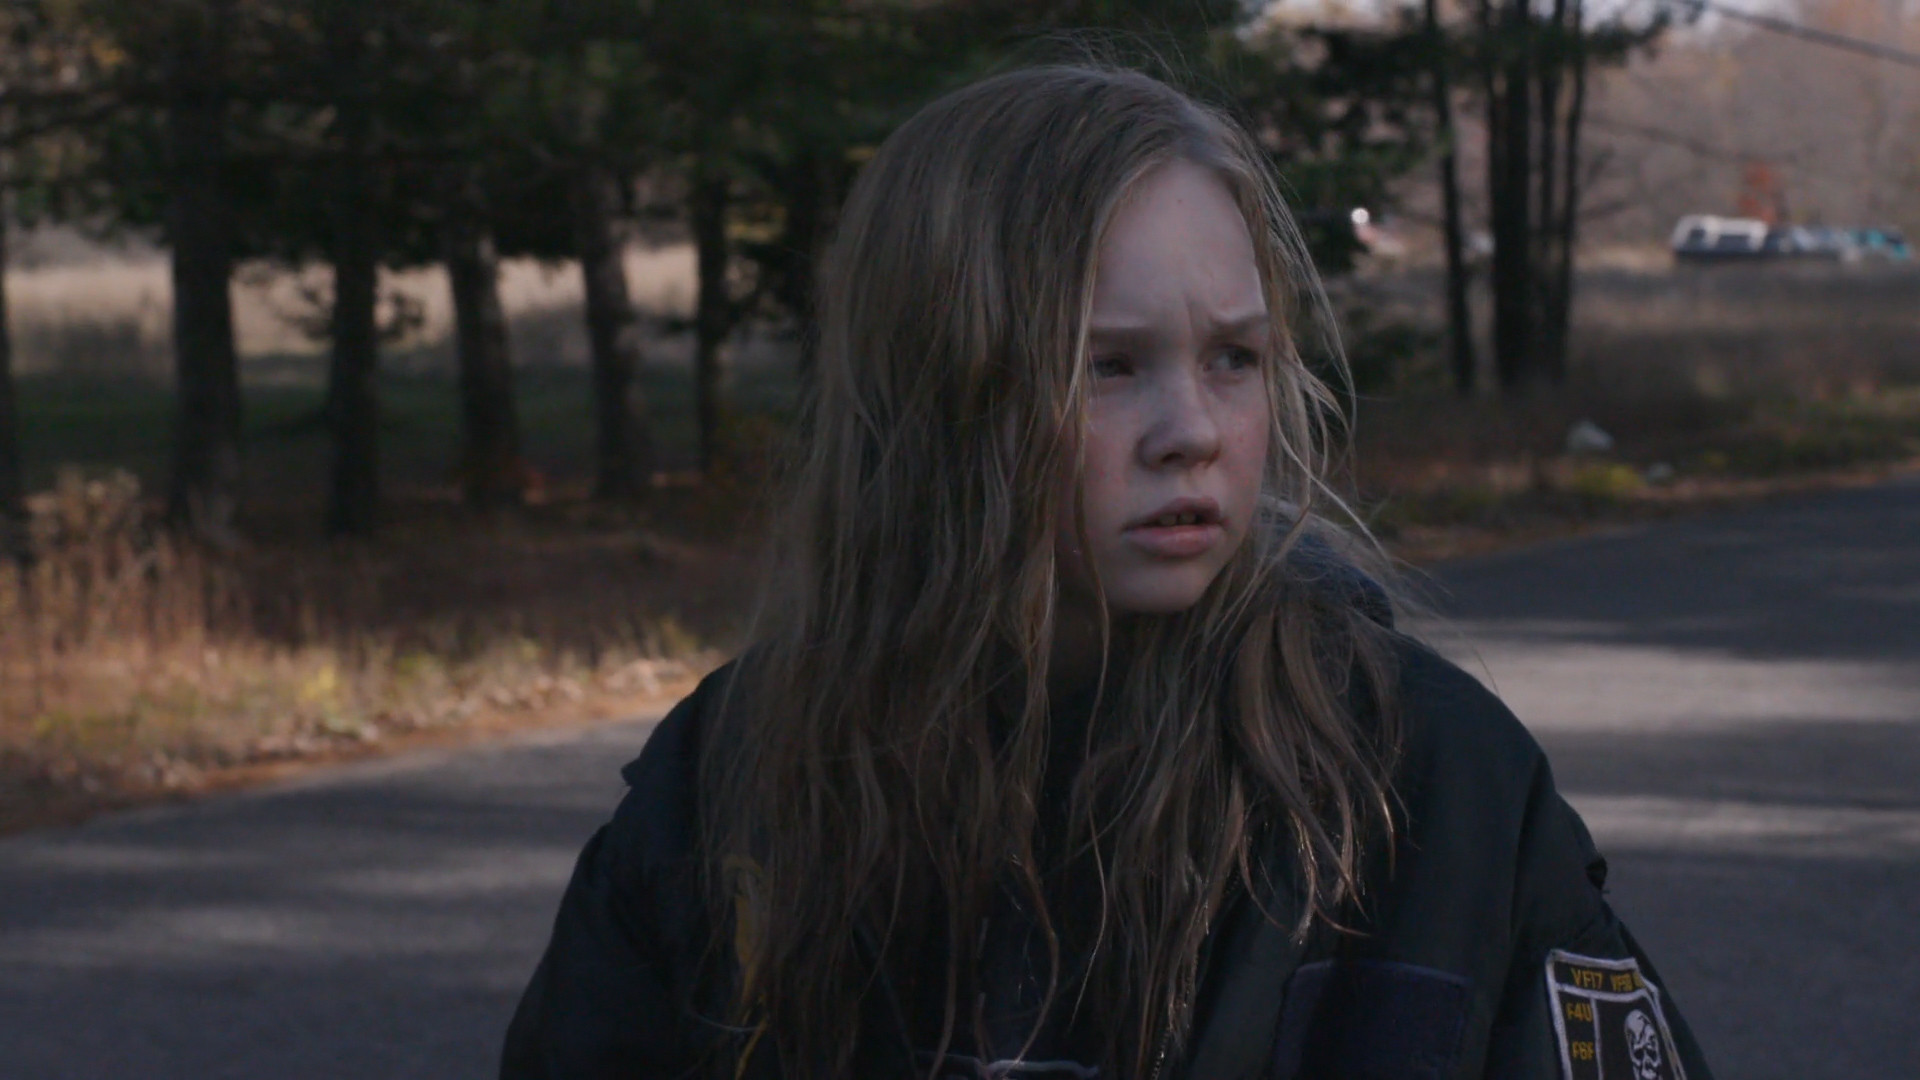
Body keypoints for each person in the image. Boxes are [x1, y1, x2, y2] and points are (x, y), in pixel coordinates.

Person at [500, 65, 1714, 1080]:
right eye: (1110, 366)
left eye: (1233, 358)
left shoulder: (1438, 787)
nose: (1192, 431)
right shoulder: (730, 788)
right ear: (939, 396)